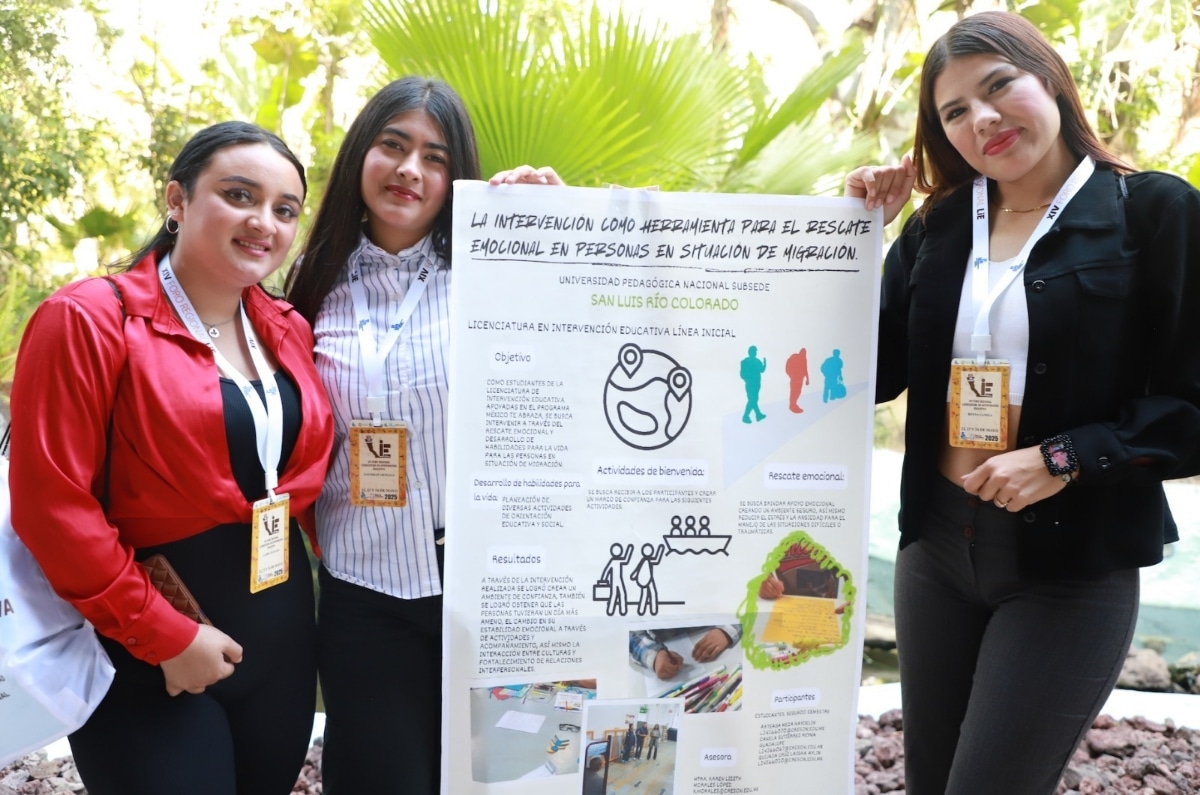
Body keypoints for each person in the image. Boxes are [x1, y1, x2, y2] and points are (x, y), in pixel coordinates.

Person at [846, 11, 1200, 795]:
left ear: (1050, 79)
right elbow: (861, 376)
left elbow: (1194, 406)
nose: (983, 119)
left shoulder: (1154, 214)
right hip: (934, 553)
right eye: (954, 111)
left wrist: (1066, 456)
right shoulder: (939, 227)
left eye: (998, 86)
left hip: (1068, 569)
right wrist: (852, 242)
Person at [8, 122, 334, 795]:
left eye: (284, 208)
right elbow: (53, 505)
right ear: (177, 200)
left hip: (279, 645)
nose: (263, 221)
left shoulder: (289, 329)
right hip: (140, 654)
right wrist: (164, 636)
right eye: (239, 194)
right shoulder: (89, 320)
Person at [283, 76, 562, 795]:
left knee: (515, 778)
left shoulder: (497, 265)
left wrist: (558, 219)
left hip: (497, 592)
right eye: (394, 145)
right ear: (361, 156)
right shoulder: (309, 286)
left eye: (434, 157)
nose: (411, 169)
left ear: (454, 176)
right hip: (364, 594)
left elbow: (595, 316)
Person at [629, 625, 743, 680]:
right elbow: (628, 631)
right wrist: (654, 656)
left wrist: (728, 629)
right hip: (663, 641)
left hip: (715, 632)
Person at [739, 344, 767, 422]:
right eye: (754, 351)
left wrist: (765, 364)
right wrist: (747, 379)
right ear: (750, 352)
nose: (755, 353)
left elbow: (762, 370)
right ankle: (746, 416)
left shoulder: (756, 361)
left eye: (755, 351)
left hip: (756, 384)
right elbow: (742, 374)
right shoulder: (745, 361)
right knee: (753, 399)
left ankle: (758, 415)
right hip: (751, 384)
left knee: (754, 399)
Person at [785, 346, 809, 412]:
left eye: (805, 353)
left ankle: (794, 404)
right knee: (793, 392)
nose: (804, 354)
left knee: (798, 392)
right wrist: (791, 375)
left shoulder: (804, 359)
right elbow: (788, 366)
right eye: (803, 352)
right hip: (794, 379)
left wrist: (807, 379)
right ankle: (792, 405)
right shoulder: (794, 357)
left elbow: (805, 369)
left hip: (800, 380)